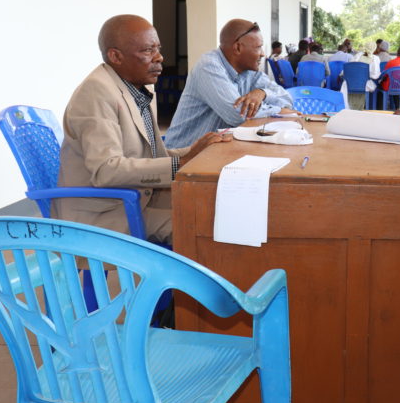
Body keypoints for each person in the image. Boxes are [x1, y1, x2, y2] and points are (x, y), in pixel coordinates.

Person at [56, 14, 229, 243]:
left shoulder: (137, 86)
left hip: (136, 196)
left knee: (216, 205)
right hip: (105, 212)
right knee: (205, 225)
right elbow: (106, 170)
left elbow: (152, 155)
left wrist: (194, 151)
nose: (159, 57)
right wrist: (182, 164)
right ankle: (196, 278)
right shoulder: (96, 93)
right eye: (148, 51)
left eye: (158, 48)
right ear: (115, 56)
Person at [164, 19, 294, 149]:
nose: (263, 54)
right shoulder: (209, 66)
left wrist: (263, 93)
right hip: (184, 156)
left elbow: (287, 100)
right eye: (258, 47)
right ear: (237, 47)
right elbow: (238, 115)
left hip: (216, 151)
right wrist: (279, 111)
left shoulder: (250, 71)